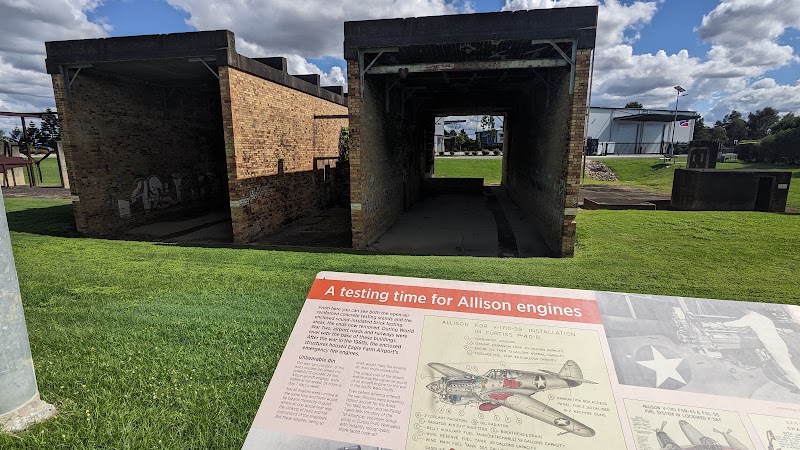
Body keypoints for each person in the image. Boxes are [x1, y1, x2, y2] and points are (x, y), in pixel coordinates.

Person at [722, 310, 800, 390]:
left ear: (746, 310)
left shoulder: (750, 317)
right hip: (779, 342)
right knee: (787, 364)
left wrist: (723, 324)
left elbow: (736, 324)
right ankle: (794, 380)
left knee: (786, 366)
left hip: (773, 345)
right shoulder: (764, 318)